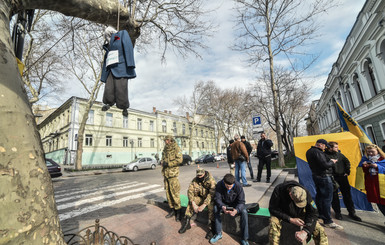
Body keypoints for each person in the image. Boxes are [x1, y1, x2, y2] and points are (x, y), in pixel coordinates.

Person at [269, 181, 328, 245]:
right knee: (273, 222)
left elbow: (313, 213)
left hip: (300, 214)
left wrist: (306, 231)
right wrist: (290, 219)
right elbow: (272, 209)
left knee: (319, 229)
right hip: (284, 214)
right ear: (290, 195)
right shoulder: (279, 190)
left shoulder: (305, 192)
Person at [306, 139, 342, 230]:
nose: (325, 148)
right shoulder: (318, 152)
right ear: (321, 144)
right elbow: (324, 165)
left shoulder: (309, 151)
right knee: (327, 199)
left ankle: (320, 215)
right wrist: (332, 162)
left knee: (320, 197)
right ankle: (328, 221)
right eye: (325, 146)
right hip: (324, 177)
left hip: (317, 176)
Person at [100, 26, 136, 117]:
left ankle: (124, 107)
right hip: (110, 68)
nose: (106, 35)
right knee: (109, 88)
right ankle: (108, 103)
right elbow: (106, 59)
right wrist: (103, 74)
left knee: (121, 87)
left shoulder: (122, 34)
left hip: (121, 66)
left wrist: (130, 64)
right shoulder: (108, 42)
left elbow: (128, 47)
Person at [325, 141, 361, 221]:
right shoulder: (324, 156)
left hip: (342, 178)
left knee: (347, 195)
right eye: (336, 147)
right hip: (332, 178)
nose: (337, 148)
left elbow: (347, 162)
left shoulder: (339, 155)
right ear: (330, 148)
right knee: (334, 197)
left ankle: (352, 213)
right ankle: (338, 213)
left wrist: (347, 172)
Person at [210, 174, 249, 245]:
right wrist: (222, 206)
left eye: (231, 187)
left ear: (234, 183)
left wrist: (237, 210)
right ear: (224, 182)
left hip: (235, 205)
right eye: (227, 186)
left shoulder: (238, 186)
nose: (229, 188)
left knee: (244, 212)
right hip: (224, 205)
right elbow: (217, 198)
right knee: (215, 208)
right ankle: (218, 233)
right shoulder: (219, 184)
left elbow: (242, 202)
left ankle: (244, 238)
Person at [178, 168, 217, 239]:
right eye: (198, 176)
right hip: (200, 197)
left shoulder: (211, 180)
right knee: (190, 202)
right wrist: (193, 203)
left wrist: (204, 205)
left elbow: (212, 194)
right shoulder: (195, 180)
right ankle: (187, 223)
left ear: (204, 174)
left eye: (201, 175)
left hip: (209, 199)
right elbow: (190, 191)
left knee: (211, 207)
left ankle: (213, 229)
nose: (199, 177)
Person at [161, 135, 183, 221]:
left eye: (166, 140)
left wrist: (169, 164)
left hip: (173, 175)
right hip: (166, 174)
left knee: (175, 194)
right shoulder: (165, 149)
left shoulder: (176, 148)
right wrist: (162, 162)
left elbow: (180, 160)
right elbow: (163, 158)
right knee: (168, 193)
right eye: (165, 140)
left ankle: (178, 212)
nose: (165, 142)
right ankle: (172, 210)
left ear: (170, 140)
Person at [359, 144, 385, 217]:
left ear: (378, 151)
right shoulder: (365, 159)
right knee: (377, 201)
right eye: (368, 152)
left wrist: (378, 166)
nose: (370, 153)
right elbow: (364, 173)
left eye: (372, 152)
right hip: (372, 184)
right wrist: (365, 167)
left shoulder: (383, 159)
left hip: (382, 184)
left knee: (383, 201)